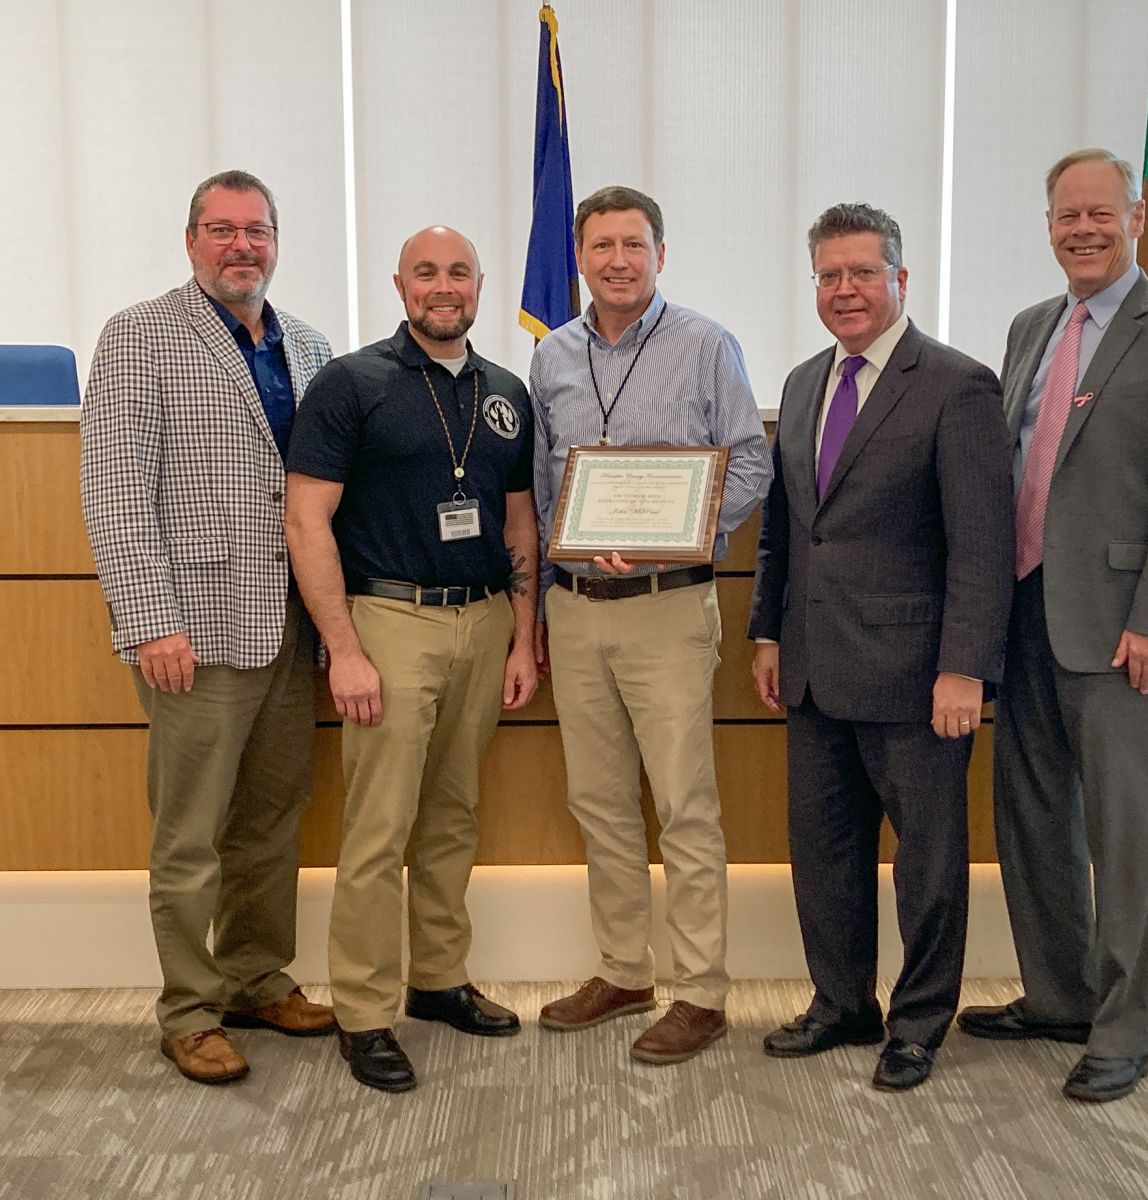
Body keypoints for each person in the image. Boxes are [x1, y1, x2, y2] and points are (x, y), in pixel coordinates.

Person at [956, 148, 1148, 1103]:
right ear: (1047, 227)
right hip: (1027, 615)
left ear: (1136, 221)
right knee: (1032, 820)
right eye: (1065, 216)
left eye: (1099, 214)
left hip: (1125, 631)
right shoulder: (1031, 327)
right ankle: (1060, 997)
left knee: (1124, 835)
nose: (1081, 229)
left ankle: (1124, 1030)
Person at [747, 203, 1013, 1091]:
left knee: (927, 864)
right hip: (815, 668)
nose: (846, 289)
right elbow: (788, 532)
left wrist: (965, 666)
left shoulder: (956, 384)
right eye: (830, 275)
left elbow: (982, 543)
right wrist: (768, 631)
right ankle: (840, 1004)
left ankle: (920, 1021)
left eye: (864, 272)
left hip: (917, 676)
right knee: (822, 852)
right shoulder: (798, 383)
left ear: (901, 278)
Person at [80, 169, 336, 1085]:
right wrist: (150, 619)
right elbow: (114, 491)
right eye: (221, 230)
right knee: (190, 832)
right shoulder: (140, 336)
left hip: (288, 631)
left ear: (277, 240)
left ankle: (255, 977)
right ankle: (188, 1009)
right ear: (191, 241)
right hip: (192, 629)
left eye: (257, 230)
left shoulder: (309, 345)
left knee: (271, 821)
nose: (242, 246)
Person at [284, 226, 538, 1093]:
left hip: (483, 621)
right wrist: (343, 649)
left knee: (452, 817)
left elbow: (517, 522)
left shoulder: (505, 392)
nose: (443, 286)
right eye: (425, 272)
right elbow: (305, 518)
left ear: (478, 284)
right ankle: (362, 1011)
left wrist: (524, 634)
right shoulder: (351, 383)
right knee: (378, 829)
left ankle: (438, 980)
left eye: (458, 271)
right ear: (399, 285)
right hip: (390, 621)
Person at [530, 186, 772, 1064]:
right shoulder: (551, 357)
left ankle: (700, 990)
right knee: (598, 802)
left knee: (684, 806)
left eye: (634, 244)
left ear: (660, 254)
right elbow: (544, 487)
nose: (618, 260)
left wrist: (681, 540)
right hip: (576, 609)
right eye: (601, 246)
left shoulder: (706, 344)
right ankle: (624, 969)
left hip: (669, 609)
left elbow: (751, 461)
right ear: (582, 258)